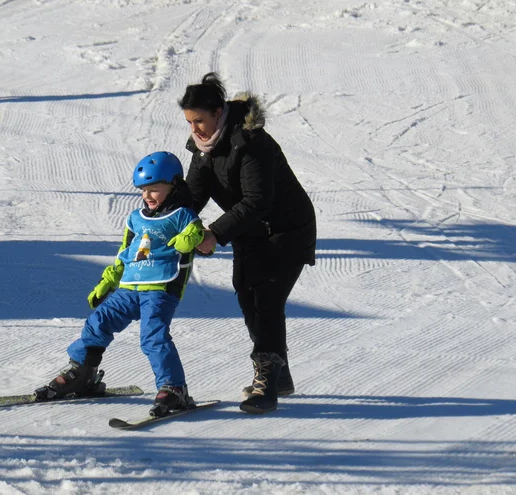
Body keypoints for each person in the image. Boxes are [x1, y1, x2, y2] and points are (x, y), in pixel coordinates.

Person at [179, 73, 317, 414]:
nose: (195, 129)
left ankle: (267, 382)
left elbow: (257, 200)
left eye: (200, 121)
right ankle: (279, 374)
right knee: (247, 294)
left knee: (267, 298)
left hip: (287, 229)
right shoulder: (204, 149)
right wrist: (165, 221)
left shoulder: (251, 142)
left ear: (218, 112)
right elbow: (193, 195)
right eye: (189, 122)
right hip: (250, 231)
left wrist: (214, 233)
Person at [35, 151, 206, 417]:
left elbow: (195, 231)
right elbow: (124, 253)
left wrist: (190, 238)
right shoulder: (135, 218)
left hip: (160, 289)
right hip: (128, 287)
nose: (148, 196)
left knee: (153, 336)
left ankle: (173, 388)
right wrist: (107, 281)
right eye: (143, 191)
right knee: (98, 321)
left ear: (174, 186)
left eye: (154, 190)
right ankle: (83, 373)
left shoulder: (183, 214)